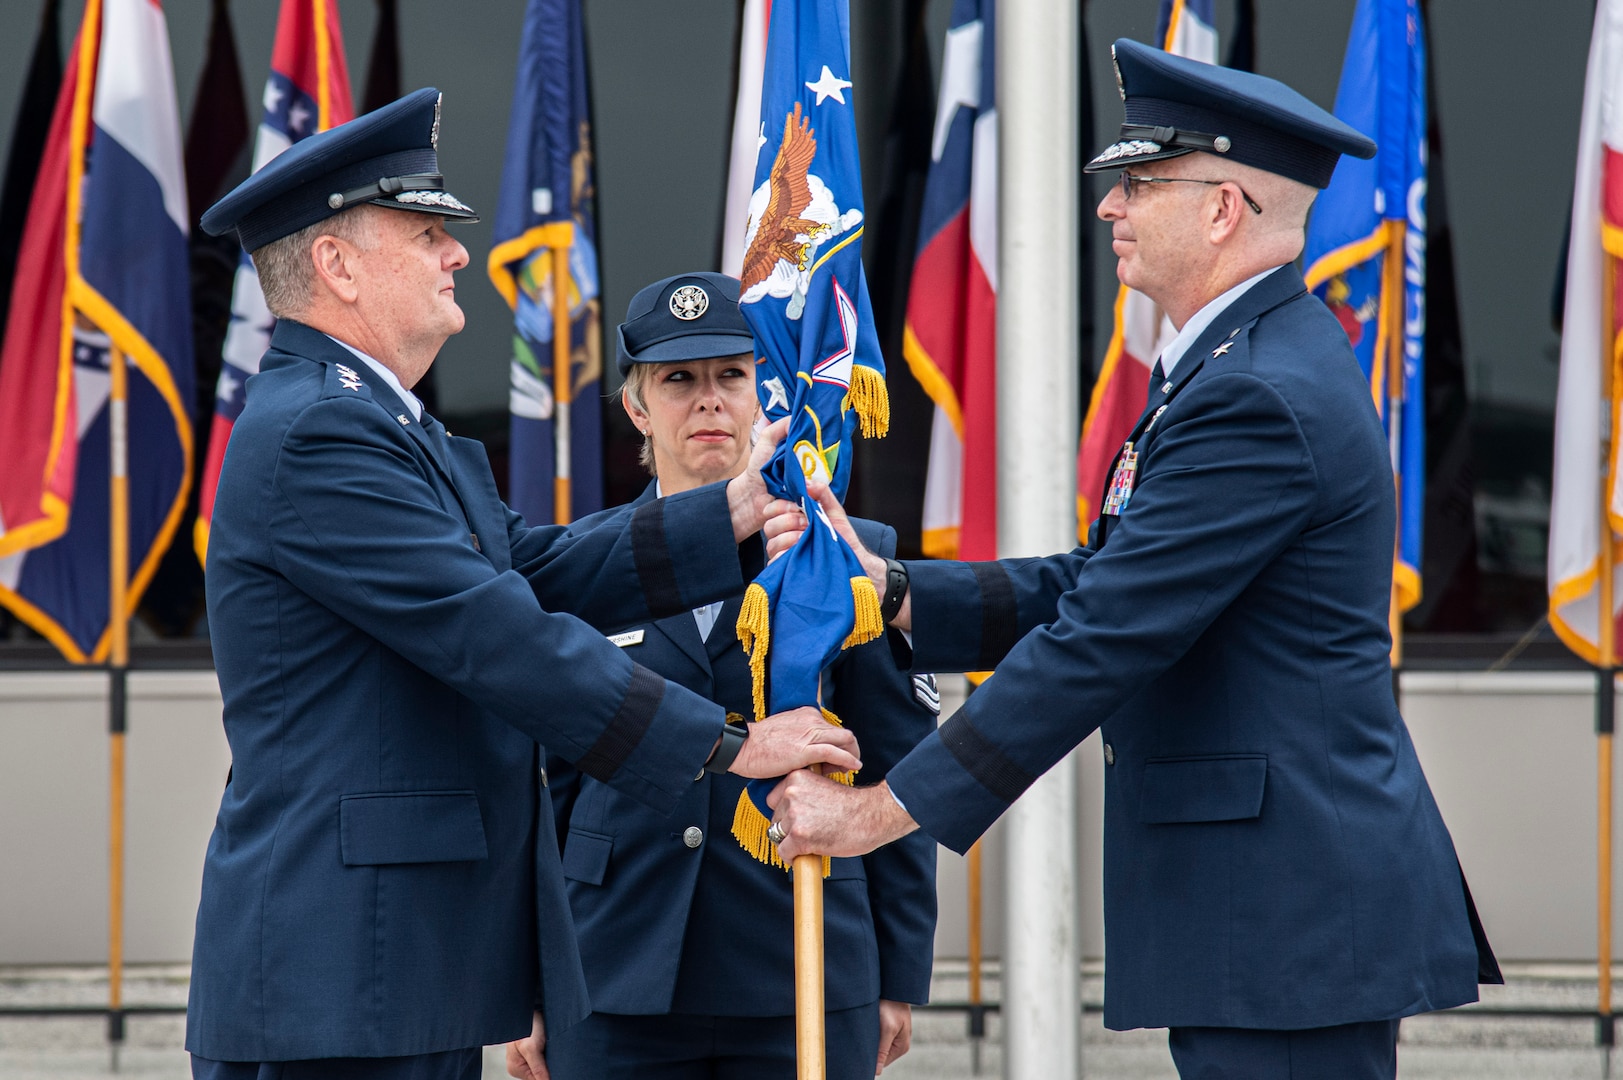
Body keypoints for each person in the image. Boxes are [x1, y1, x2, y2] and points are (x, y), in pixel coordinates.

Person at [765, 40, 1501, 1080]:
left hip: (1287, 924)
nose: (1110, 206)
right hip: (1272, 918)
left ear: (1221, 209)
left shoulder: (1254, 393)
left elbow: (1101, 641)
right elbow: (1097, 587)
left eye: (1141, 182)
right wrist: (889, 595)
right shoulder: (1238, 364)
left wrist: (877, 816)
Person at [187, 90, 861, 1080]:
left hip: (396, 968)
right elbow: (496, 633)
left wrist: (727, 514)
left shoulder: (397, 431)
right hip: (341, 975)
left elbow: (533, 572)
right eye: (426, 233)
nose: (458, 253)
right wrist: (731, 742)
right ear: (334, 265)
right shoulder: (319, 436)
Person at [502, 273, 937, 1080]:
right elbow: (543, 780)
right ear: (636, 407)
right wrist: (528, 977)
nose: (708, 401)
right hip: (614, 966)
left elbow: (895, 762)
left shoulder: (840, 552)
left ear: (760, 390)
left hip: (798, 957)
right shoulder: (577, 566)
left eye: (730, 376)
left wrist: (899, 971)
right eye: (678, 380)